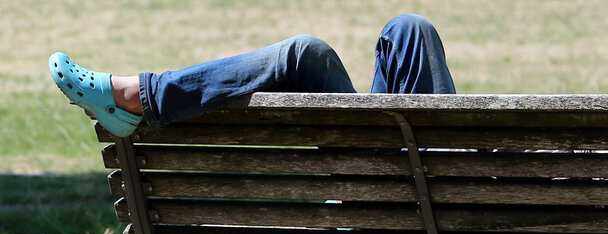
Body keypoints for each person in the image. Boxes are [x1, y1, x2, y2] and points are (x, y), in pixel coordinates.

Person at [48, 14, 455, 137]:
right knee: (408, 28)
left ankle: (138, 95)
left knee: (304, 54)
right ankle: (142, 94)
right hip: (428, 180)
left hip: (388, 188)